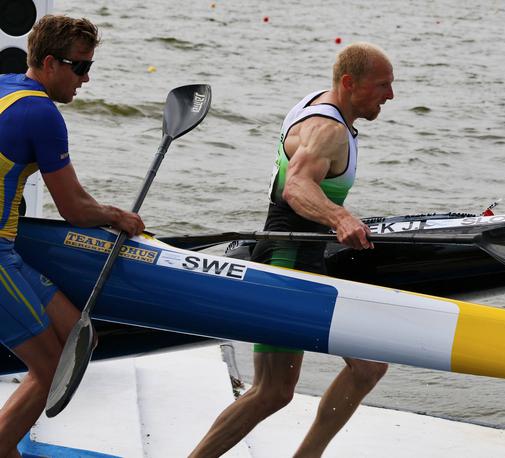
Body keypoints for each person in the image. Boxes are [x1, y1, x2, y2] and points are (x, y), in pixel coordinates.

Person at [191, 42, 394, 457]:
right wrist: (340, 218)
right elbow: (296, 186)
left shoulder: (317, 105)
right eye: (383, 85)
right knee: (272, 391)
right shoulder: (329, 129)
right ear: (350, 83)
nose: (389, 95)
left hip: (301, 260)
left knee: (344, 372)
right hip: (286, 263)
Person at [0, 15, 144, 456]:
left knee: (81, 340)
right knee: (50, 368)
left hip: (7, 248)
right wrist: (119, 216)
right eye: (79, 67)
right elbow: (75, 209)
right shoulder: (42, 114)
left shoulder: (6, 84)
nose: (86, 78)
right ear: (48, 63)